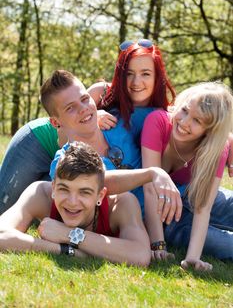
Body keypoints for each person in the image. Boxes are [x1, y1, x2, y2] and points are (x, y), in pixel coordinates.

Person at [40, 69, 181, 223]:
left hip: (174, 201)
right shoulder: (63, 162)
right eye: (70, 108)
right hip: (141, 226)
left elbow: (165, 114)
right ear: (55, 122)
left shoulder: (118, 124)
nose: (83, 108)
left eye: (85, 99)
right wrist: (152, 174)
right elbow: (99, 181)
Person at [0, 142, 151, 266]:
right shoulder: (40, 194)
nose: (72, 202)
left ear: (100, 195)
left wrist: (68, 234)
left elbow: (140, 255)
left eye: (84, 192)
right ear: (53, 187)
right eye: (64, 189)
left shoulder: (121, 204)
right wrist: (64, 250)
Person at [141, 82, 233, 271]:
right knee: (225, 244)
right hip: (165, 213)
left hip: (191, 197)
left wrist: (193, 257)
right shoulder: (158, 121)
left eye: (197, 121)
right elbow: (150, 188)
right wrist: (158, 244)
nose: (184, 122)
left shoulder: (215, 148)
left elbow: (203, 207)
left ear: (210, 130)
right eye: (184, 110)